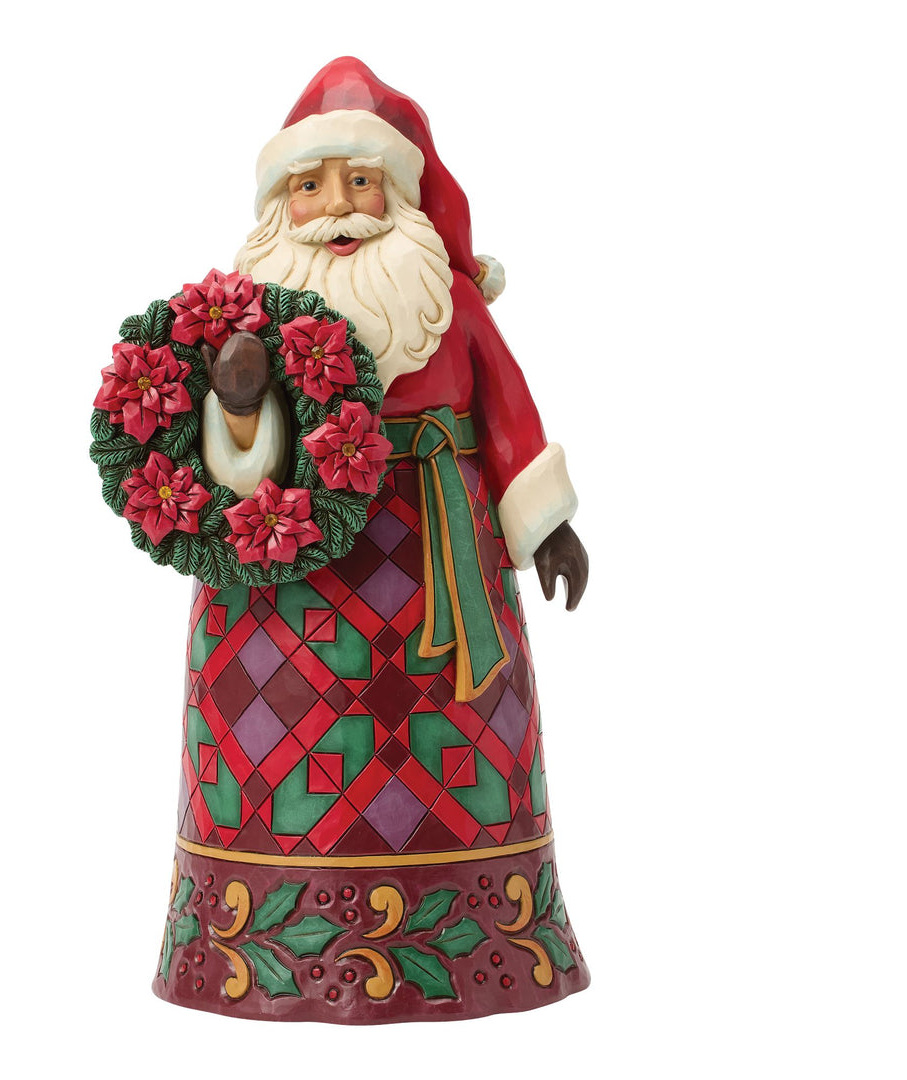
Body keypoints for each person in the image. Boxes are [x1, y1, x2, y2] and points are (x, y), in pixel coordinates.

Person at [157, 57, 591, 1023]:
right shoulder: (250, 318)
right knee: (275, 744)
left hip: (436, 556)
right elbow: (220, 456)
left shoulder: (449, 304)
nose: (338, 208)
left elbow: (508, 409)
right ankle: (258, 945)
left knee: (455, 735)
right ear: (281, 204)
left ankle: (480, 942)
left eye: (361, 181)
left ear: (399, 195)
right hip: (284, 588)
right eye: (310, 186)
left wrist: (546, 523)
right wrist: (236, 404)